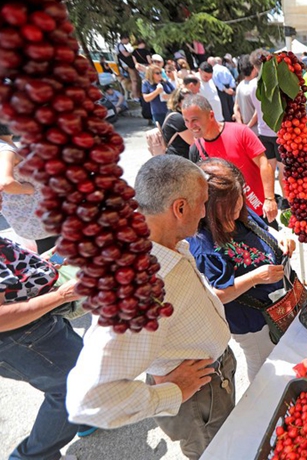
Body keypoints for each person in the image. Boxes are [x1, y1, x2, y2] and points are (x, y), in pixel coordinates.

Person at [67, 155, 235, 460]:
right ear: (180, 208)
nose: (204, 213)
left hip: (210, 379)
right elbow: (88, 400)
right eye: (202, 203)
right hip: (198, 398)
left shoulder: (163, 241)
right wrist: (170, 393)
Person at [188, 159, 296, 381]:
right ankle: (264, 411)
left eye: (239, 196)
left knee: (283, 362)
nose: (239, 204)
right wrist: (257, 277)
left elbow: (264, 228)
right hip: (252, 322)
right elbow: (218, 295)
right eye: (230, 202)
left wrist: (282, 237)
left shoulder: (238, 214)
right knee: (265, 369)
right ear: (208, 206)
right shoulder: (203, 242)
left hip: (278, 307)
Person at [0, 237, 84, 460]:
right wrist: (60, 296)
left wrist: (54, 258)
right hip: (21, 337)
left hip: (37, 327)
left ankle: (85, 415)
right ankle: (34, 457)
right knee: (72, 388)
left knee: (81, 376)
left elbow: (19, 277)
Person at [183, 94, 279, 222]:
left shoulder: (240, 132)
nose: (191, 125)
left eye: (195, 119)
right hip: (229, 219)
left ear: (211, 115)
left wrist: (270, 199)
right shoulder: (196, 149)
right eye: (186, 120)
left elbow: (264, 164)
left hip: (259, 211)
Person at [0, 138, 58, 253]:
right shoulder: (5, 150)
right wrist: (27, 189)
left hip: (31, 220)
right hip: (40, 217)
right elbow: (6, 182)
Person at [248, 49, 288, 207]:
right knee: (283, 169)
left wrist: (249, 125)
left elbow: (258, 111)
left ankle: (269, 197)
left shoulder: (252, 85)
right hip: (279, 132)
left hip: (263, 132)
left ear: (254, 66)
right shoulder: (276, 83)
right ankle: (286, 200)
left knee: (268, 168)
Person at [162, 87, 195, 158]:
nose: (191, 103)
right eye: (187, 101)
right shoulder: (177, 118)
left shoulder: (175, 114)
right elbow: (193, 141)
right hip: (178, 159)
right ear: (178, 102)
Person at [211, 57, 236, 122]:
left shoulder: (214, 69)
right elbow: (232, 78)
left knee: (224, 107)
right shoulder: (225, 68)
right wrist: (231, 88)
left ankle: (228, 122)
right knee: (231, 104)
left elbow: (216, 82)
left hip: (221, 89)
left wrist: (225, 89)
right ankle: (234, 119)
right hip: (228, 87)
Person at [116, 34, 139, 99]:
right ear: (124, 39)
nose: (128, 41)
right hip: (128, 65)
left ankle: (136, 95)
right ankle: (136, 96)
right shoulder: (121, 46)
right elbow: (125, 54)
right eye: (128, 40)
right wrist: (132, 51)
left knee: (134, 80)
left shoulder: (118, 46)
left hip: (125, 65)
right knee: (134, 81)